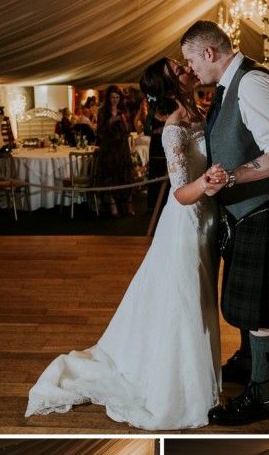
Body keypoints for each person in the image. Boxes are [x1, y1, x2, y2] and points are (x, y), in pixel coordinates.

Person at [25, 57, 222, 430]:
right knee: (185, 299)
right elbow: (180, 192)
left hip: (207, 217)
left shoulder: (198, 110)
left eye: (183, 63)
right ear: (170, 87)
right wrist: (210, 182)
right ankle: (179, 385)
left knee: (195, 296)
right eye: (179, 69)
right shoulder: (174, 127)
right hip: (188, 221)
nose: (187, 68)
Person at [179, 20, 269, 426]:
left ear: (209, 53)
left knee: (261, 307)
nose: (190, 71)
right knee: (245, 301)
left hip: (265, 207)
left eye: (190, 61)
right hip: (246, 209)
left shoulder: (252, 83)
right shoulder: (229, 85)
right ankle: (245, 362)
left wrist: (231, 177)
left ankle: (261, 395)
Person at [95, 85, 135, 217]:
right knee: (110, 175)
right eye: (112, 97)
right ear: (108, 98)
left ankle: (128, 206)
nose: (115, 100)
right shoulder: (102, 112)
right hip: (109, 148)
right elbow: (99, 132)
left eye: (117, 97)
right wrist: (110, 121)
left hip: (122, 147)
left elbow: (129, 130)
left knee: (125, 175)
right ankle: (113, 207)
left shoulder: (124, 110)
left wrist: (123, 121)